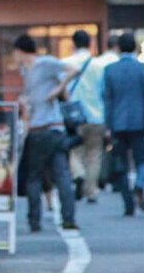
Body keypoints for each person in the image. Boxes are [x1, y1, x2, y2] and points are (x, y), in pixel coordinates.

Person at [13, 34, 79, 232]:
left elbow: (74, 70)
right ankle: (68, 219)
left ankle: (35, 221)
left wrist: (58, 89)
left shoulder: (46, 63)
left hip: (44, 128)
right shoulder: (25, 71)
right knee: (61, 174)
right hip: (50, 128)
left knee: (35, 176)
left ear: (20, 51)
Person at [102, 32, 144, 216]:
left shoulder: (110, 70)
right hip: (139, 121)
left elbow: (107, 99)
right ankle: (140, 184)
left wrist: (107, 124)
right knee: (142, 159)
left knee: (121, 163)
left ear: (118, 47)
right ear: (135, 47)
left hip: (118, 123)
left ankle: (128, 202)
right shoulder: (142, 68)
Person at [61, 29, 108, 203]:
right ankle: (91, 190)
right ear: (90, 44)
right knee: (94, 154)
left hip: (74, 117)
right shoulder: (99, 66)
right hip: (97, 116)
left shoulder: (65, 63)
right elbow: (104, 92)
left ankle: (78, 174)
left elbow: (62, 89)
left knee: (74, 151)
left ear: (73, 44)